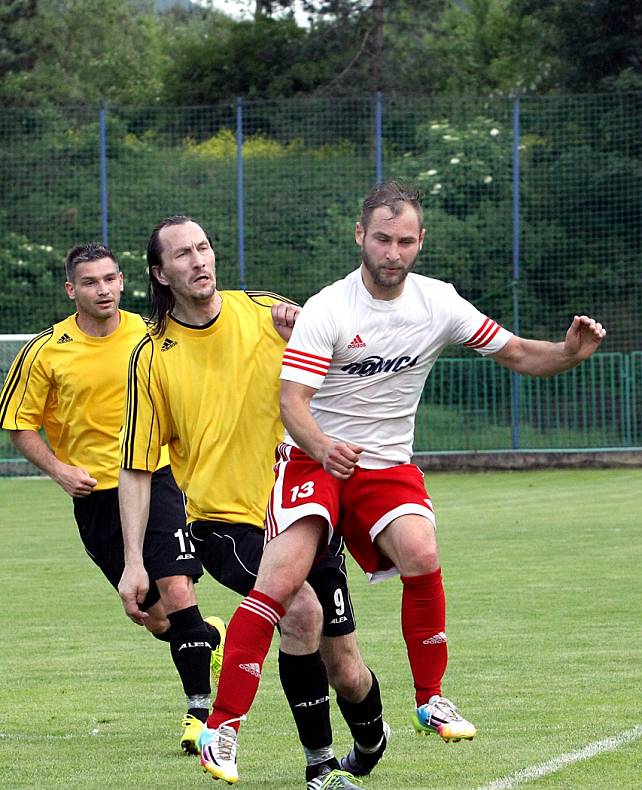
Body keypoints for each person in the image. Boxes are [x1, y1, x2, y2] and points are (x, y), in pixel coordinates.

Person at [200, 180, 608, 773]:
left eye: (406, 242)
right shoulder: (329, 308)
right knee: (282, 582)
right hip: (313, 458)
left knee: (421, 551)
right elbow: (292, 401)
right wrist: (322, 445)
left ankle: (430, 700)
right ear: (361, 236)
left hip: (386, 464)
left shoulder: (439, 302)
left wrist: (569, 352)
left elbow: (519, 353)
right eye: (383, 239)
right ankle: (222, 728)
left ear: (421, 243)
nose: (393, 252)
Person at [117, 216, 388, 789]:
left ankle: (369, 743)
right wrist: (135, 563)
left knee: (346, 668)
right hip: (225, 524)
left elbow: (350, 353)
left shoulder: (266, 311)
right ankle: (320, 768)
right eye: (182, 255)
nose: (198, 261)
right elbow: (138, 469)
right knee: (302, 612)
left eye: (203, 247)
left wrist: (309, 330)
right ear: (161, 273)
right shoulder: (151, 357)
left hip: (304, 511)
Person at [0, 242, 225, 755]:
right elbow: (19, 424)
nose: (102, 290)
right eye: (89, 282)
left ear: (123, 281)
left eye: (109, 279)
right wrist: (58, 469)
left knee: (177, 588)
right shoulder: (45, 349)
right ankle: (205, 637)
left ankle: (200, 716)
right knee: (152, 614)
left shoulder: (151, 335)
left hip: (160, 478)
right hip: (98, 498)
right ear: (71, 290)